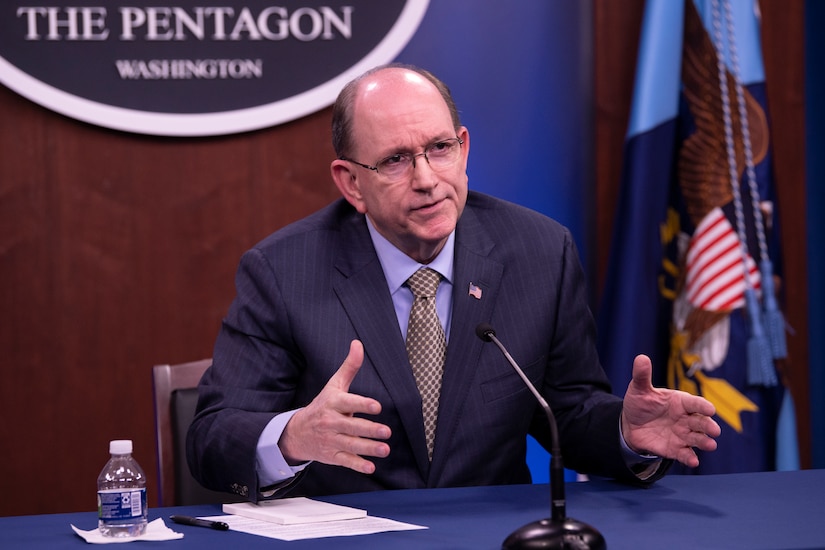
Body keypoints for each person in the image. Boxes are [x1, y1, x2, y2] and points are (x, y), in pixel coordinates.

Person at [186, 63, 720, 501]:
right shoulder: (285, 269)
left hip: (491, 535)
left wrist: (627, 433)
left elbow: (570, 415)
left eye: (440, 149)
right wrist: (294, 436)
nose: (426, 179)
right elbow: (212, 436)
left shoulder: (538, 251)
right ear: (351, 182)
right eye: (395, 160)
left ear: (463, 148)